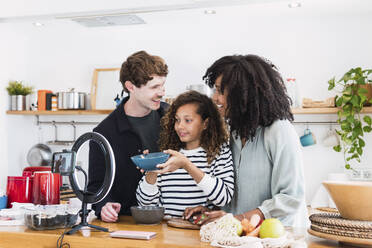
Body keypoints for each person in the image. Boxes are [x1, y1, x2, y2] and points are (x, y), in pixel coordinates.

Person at [184, 54, 307, 227]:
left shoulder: (279, 130)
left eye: (220, 91)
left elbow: (291, 198)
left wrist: (236, 219)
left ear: (242, 95)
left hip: (280, 236)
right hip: (244, 236)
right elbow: (237, 194)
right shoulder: (234, 131)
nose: (215, 98)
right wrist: (213, 211)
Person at [88, 51, 169, 222]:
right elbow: (96, 186)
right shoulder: (103, 132)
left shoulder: (173, 118)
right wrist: (104, 205)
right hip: (127, 222)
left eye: (162, 85)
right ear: (131, 86)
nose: (162, 92)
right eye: (154, 87)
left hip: (173, 220)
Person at [136, 90, 234, 218]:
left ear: (205, 123)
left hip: (199, 233)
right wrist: (151, 172)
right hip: (165, 233)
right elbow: (144, 203)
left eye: (188, 120)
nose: (180, 126)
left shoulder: (219, 152)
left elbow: (224, 197)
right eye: (177, 120)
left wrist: (186, 164)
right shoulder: (167, 154)